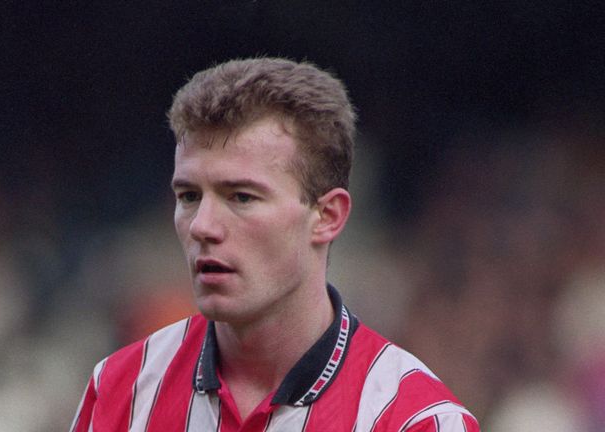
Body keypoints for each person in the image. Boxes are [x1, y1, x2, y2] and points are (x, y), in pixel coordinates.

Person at [70, 58, 479, 431]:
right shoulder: (122, 391)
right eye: (189, 196)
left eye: (241, 197)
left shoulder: (412, 419)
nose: (202, 226)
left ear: (327, 216)